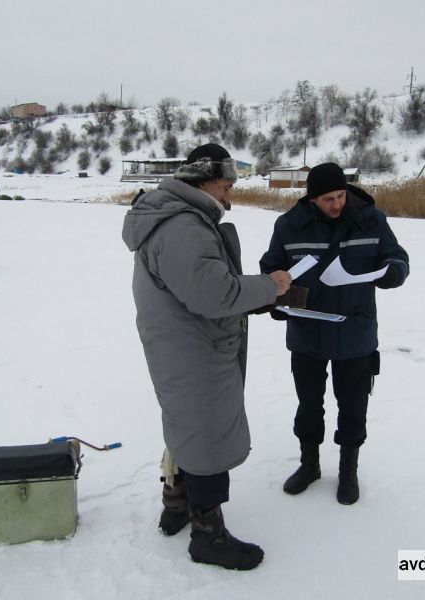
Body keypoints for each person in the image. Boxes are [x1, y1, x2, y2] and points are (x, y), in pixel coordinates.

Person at [122, 143, 293, 570]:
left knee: (186, 424)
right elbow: (215, 294)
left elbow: (203, 288)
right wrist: (270, 286)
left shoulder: (177, 218)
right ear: (204, 180)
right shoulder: (184, 227)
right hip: (195, 350)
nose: (229, 197)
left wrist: (250, 296)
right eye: (226, 186)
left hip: (183, 345)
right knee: (207, 434)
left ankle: (177, 503)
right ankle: (208, 535)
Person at [260, 162, 409, 505]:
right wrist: (280, 299)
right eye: (328, 198)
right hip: (307, 332)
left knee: (353, 407)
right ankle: (309, 465)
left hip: (355, 332)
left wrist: (393, 273)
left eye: (341, 195)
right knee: (309, 405)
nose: (337, 204)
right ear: (312, 199)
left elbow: (398, 258)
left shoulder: (371, 220)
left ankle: (348, 472)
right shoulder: (288, 226)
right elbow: (271, 269)